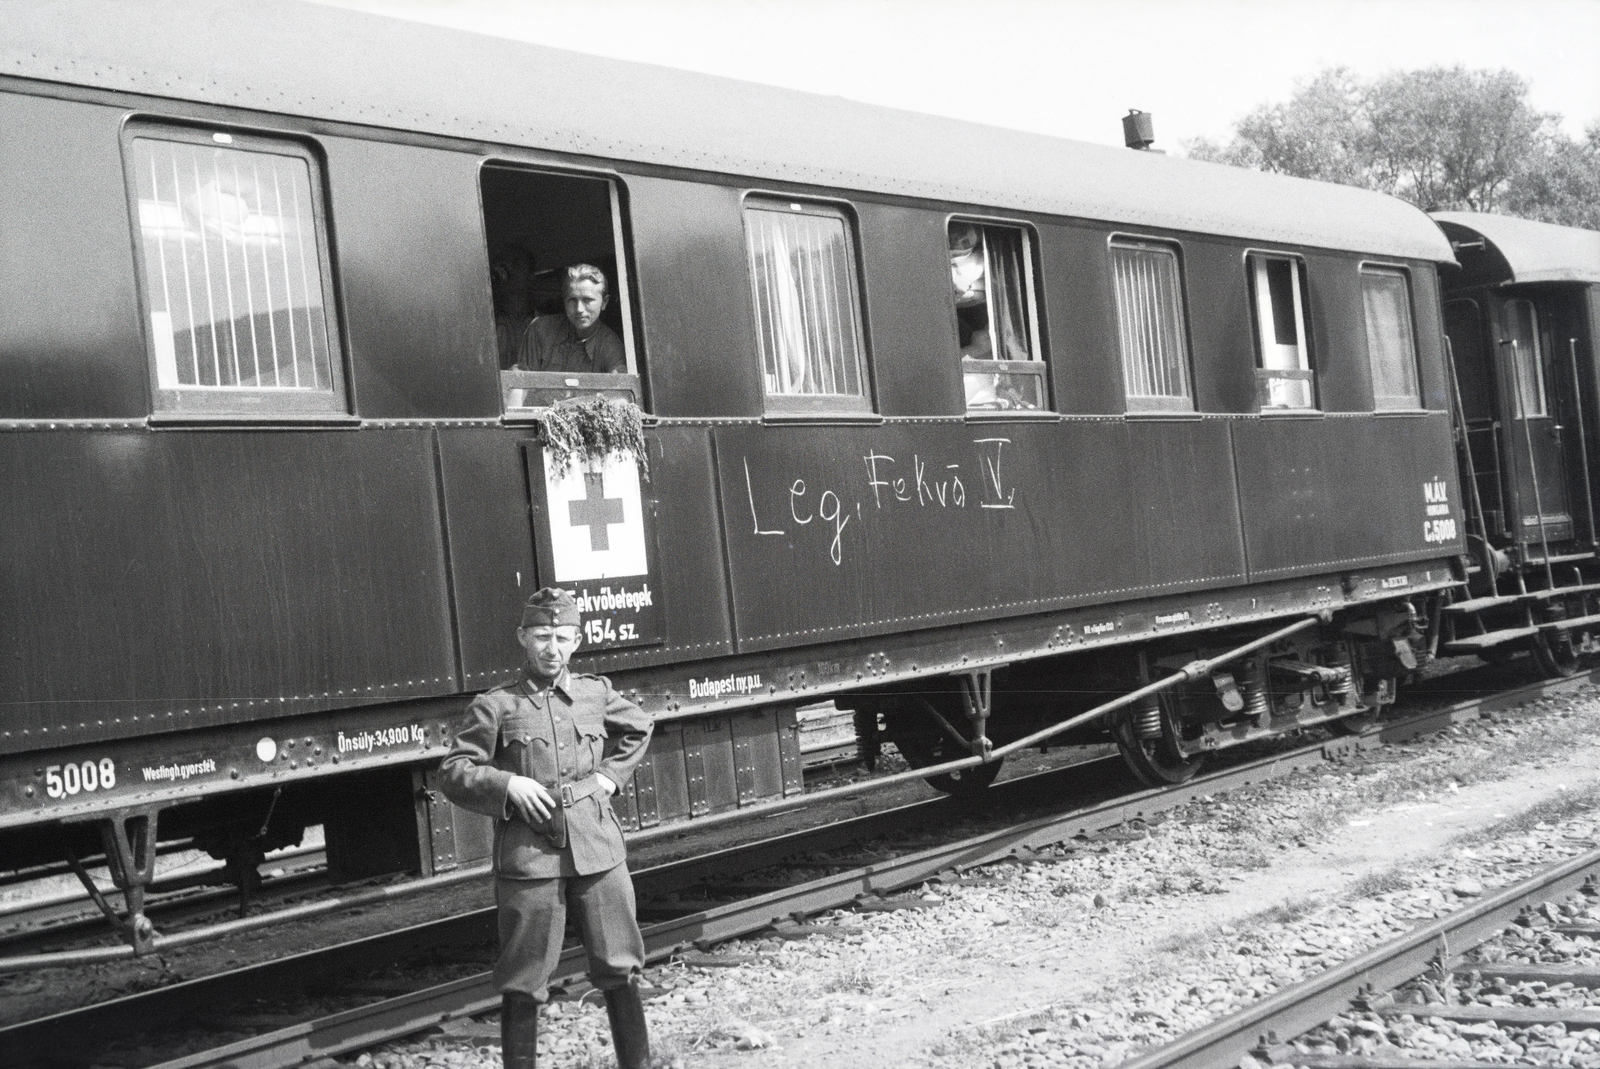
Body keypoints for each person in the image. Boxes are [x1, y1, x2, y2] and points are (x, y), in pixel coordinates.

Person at [438, 587, 654, 1069]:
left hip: (598, 850)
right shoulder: (496, 706)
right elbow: (454, 771)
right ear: (522, 638)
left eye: (561, 637)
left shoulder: (596, 695)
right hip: (529, 858)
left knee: (620, 966)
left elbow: (641, 727)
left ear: (576, 640)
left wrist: (609, 778)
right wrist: (507, 783)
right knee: (523, 979)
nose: (551, 648)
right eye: (540, 636)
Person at [518, 264, 627, 374]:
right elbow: (521, 383)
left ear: (604, 302)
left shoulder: (611, 347)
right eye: (572, 300)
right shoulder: (540, 330)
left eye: (587, 300)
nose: (579, 309)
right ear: (564, 301)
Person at [491, 245, 538, 369]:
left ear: (530, 277)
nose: (509, 271)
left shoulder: (543, 324)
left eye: (516, 264)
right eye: (503, 265)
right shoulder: (486, 323)